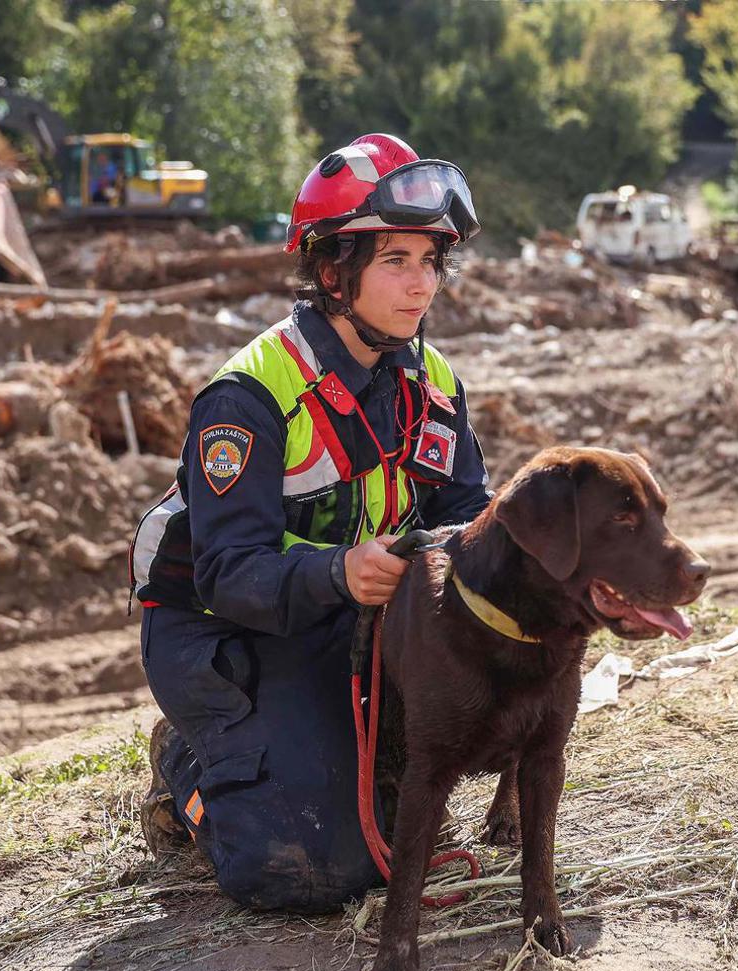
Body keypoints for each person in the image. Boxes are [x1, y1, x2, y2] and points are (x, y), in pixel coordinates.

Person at [129, 134, 491, 913]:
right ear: (333, 270)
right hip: (223, 636)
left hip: (342, 615)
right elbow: (226, 572)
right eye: (396, 260)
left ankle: (354, 746)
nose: (421, 283)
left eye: (431, 260)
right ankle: (192, 771)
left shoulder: (431, 381)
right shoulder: (249, 399)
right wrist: (338, 572)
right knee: (314, 872)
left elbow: (464, 510)